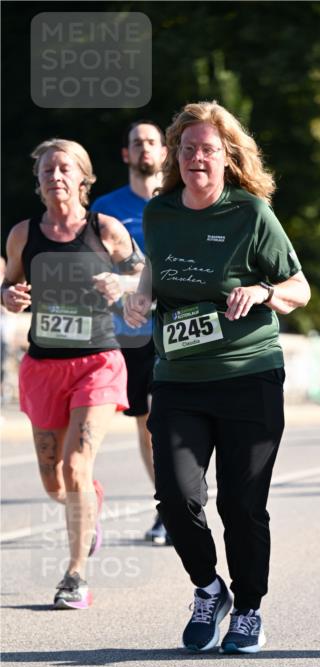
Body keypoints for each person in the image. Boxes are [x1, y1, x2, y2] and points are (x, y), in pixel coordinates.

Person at [124, 101, 310, 653]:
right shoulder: (159, 214)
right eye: (187, 149)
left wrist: (264, 291)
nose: (196, 158)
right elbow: (155, 267)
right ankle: (209, 588)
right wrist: (140, 297)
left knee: (241, 504)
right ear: (175, 156)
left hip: (248, 374)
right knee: (175, 497)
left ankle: (248, 608)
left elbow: (300, 288)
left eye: (207, 149)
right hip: (178, 377)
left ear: (227, 156)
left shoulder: (250, 214)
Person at [2, 138, 142, 608]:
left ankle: (75, 575)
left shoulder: (105, 230)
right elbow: (9, 284)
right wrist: (8, 296)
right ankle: (88, 506)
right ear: (38, 181)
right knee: (54, 481)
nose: (55, 176)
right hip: (44, 366)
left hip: (97, 361)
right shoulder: (23, 234)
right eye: (47, 170)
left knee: (77, 465)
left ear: (83, 177)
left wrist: (121, 282)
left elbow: (145, 276)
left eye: (64, 168)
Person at [91, 120, 170, 544]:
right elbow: (94, 271)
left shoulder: (178, 200)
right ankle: (168, 507)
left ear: (164, 152)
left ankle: (182, 497)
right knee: (148, 425)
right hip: (131, 333)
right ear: (126, 154)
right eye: (136, 143)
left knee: (171, 419)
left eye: (152, 142)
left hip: (177, 329)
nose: (144, 149)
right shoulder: (106, 210)